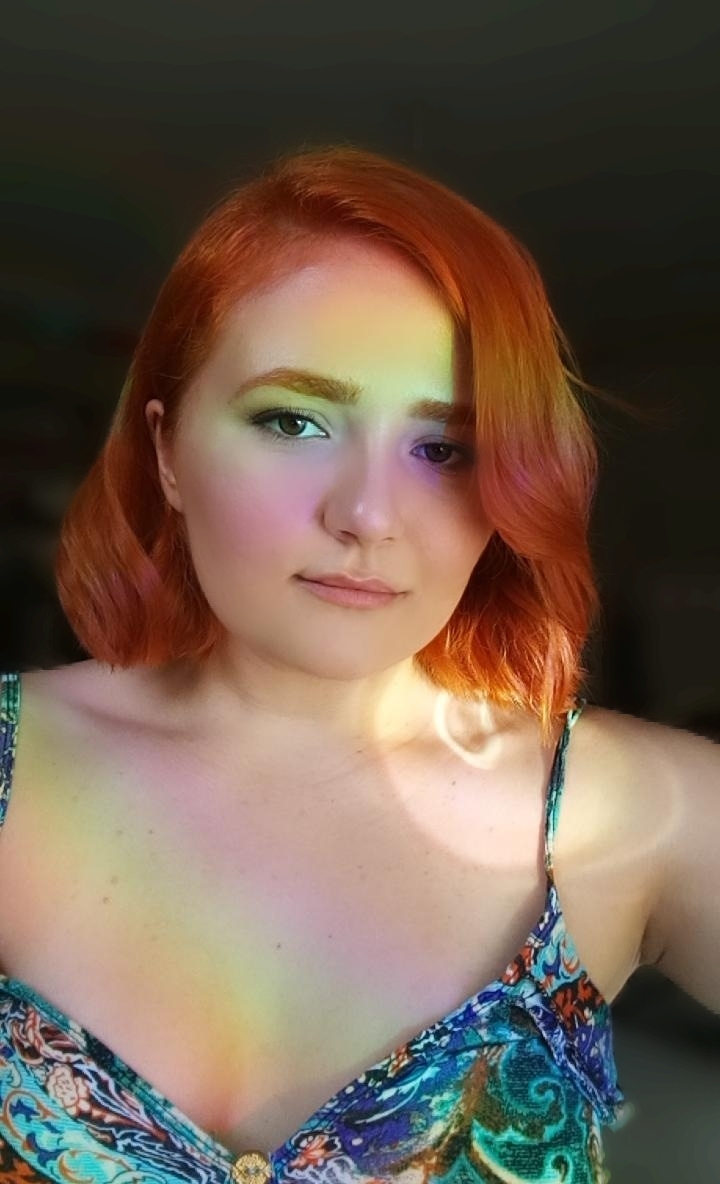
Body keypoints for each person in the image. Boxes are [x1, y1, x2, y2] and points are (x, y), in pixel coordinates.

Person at [0, 142, 717, 1184]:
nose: (369, 514)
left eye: (444, 448)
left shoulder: (646, 810)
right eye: (294, 419)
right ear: (168, 453)